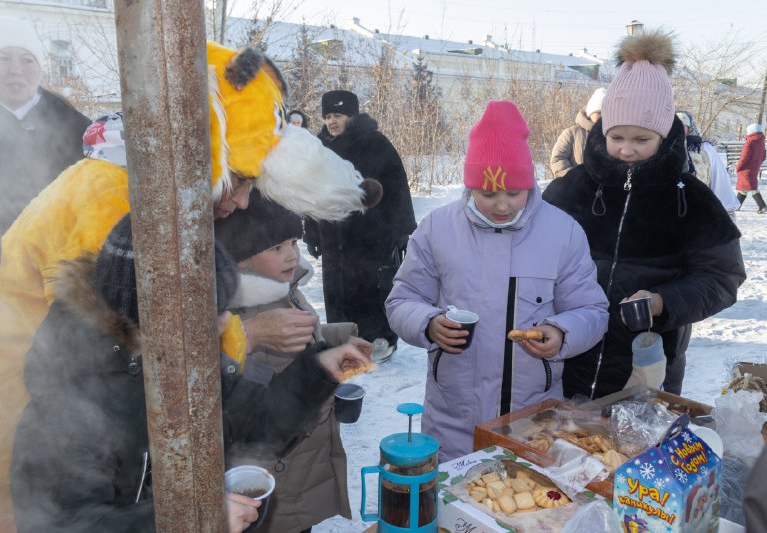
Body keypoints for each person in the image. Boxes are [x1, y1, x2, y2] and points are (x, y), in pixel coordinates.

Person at [0, 42, 380, 528]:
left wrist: (317, 371)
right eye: (241, 180)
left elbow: (235, 413)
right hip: (11, 421)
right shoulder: (116, 206)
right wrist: (192, 519)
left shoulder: (153, 206)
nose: (244, 202)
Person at [9, 215, 372, 533]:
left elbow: (254, 424)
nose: (227, 321)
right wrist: (193, 521)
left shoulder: (183, 365)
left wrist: (318, 371)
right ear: (156, 319)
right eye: (210, 312)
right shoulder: (70, 406)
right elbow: (64, 525)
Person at [385, 100, 609, 461]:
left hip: (532, 418)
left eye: (514, 193)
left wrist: (563, 332)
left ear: (530, 186)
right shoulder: (436, 229)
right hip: (452, 418)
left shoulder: (562, 232)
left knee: (521, 506)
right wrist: (428, 323)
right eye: (488, 193)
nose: (502, 205)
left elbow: (592, 310)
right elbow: (401, 301)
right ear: (471, 185)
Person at [542, 29, 746, 399]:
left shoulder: (693, 200)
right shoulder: (569, 189)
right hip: (564, 360)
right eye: (617, 137)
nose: (626, 150)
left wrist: (662, 302)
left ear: (665, 136)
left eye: (641, 140)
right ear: (602, 130)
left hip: (649, 366)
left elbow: (722, 277)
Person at [216, 190, 370, 532]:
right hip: (278, 470)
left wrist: (338, 337)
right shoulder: (240, 314)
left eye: (293, 243)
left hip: (302, 460)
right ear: (241, 259)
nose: (291, 256)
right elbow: (250, 401)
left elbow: (304, 336)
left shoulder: (281, 289)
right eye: (276, 248)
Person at [0, 16, 91, 309]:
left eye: (27, 60)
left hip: (54, 266)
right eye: (2, 58)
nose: (16, 71)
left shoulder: (68, 118)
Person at [304, 90, 416, 350]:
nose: (332, 121)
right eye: (328, 116)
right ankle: (342, 339)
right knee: (336, 289)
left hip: (371, 235)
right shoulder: (319, 149)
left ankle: (379, 340)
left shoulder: (375, 143)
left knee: (370, 288)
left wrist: (402, 229)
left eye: (338, 115)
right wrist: (311, 231)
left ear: (352, 116)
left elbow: (398, 185)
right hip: (333, 236)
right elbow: (310, 192)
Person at [675, 110, 739, 219]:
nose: (678, 130)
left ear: (690, 128)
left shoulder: (704, 149)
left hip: (700, 212)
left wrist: (726, 213)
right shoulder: (659, 149)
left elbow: (719, 180)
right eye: (675, 126)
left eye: (683, 126)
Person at [549, 87, 606, 178]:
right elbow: (558, 159)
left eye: (606, 112)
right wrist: (575, 178)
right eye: (598, 112)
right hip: (576, 189)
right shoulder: (571, 133)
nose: (602, 116)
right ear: (590, 113)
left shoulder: (614, 136)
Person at [735, 123, 767, 213]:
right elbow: (764, 156)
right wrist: (757, 163)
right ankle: (736, 205)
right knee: (744, 188)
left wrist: (738, 167)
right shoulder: (761, 142)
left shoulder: (749, 142)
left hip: (746, 169)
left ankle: (762, 206)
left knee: (751, 188)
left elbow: (744, 158)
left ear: (751, 132)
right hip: (755, 167)